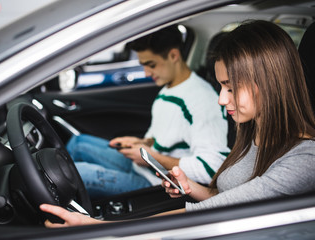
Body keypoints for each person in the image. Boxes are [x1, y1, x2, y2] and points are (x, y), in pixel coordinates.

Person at [40, 20, 315, 227]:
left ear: (269, 84)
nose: (222, 99)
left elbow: (215, 212)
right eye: (221, 87)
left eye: (231, 88)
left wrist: (100, 229)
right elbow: (224, 198)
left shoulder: (305, 159)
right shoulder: (254, 131)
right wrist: (191, 188)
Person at [65, 25, 229, 198]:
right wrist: (141, 142)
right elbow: (167, 138)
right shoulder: (171, 87)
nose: (146, 72)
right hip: (144, 165)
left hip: (155, 183)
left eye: (151, 65)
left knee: (70, 175)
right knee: (78, 143)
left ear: (174, 55)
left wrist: (152, 158)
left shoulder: (202, 101)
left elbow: (211, 168)